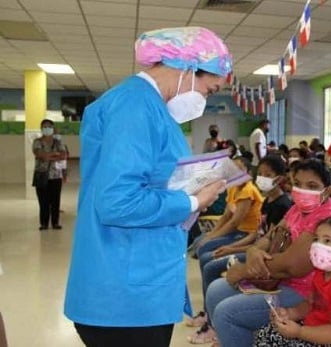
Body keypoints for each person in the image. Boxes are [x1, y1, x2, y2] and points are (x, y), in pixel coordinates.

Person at [63, 27, 232, 347]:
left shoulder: (149, 107)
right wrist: (192, 202)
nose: (205, 99)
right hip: (125, 297)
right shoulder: (136, 107)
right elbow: (118, 202)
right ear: (188, 67)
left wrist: (192, 196)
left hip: (137, 281)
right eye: (210, 90)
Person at [203, 159, 331, 347]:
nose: (303, 190)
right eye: (297, 184)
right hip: (277, 279)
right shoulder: (297, 208)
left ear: (326, 191)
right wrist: (254, 250)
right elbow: (270, 237)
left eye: (312, 186)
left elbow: (292, 266)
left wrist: (244, 270)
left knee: (226, 313)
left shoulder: (327, 217)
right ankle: (226, 339)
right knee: (215, 291)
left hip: (307, 292)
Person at [187, 155, 292, 344]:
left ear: (279, 178)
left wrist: (230, 248)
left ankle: (212, 325)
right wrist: (227, 246)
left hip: (259, 253)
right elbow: (258, 234)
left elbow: (271, 246)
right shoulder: (266, 200)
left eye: (267, 175)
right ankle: (209, 318)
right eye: (260, 173)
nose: (262, 178)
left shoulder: (282, 205)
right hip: (252, 245)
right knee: (205, 254)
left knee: (211, 264)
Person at [253, 217, 331, 347]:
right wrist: (290, 313)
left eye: (327, 241)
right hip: (316, 328)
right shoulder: (322, 271)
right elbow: (311, 303)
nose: (319, 245)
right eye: (316, 239)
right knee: (265, 334)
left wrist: (299, 332)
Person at [194, 156, 263, 266]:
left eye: (239, 170)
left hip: (246, 234)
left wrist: (211, 237)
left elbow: (234, 222)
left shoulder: (248, 191)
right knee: (198, 241)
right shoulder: (233, 187)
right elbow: (226, 216)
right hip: (237, 230)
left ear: (248, 173)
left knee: (204, 249)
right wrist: (211, 234)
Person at [32, 119, 67, 230]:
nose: (47, 129)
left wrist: (48, 155)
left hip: (56, 176)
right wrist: (54, 155)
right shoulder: (37, 142)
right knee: (43, 201)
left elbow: (63, 155)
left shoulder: (58, 142)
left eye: (49, 127)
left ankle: (55, 223)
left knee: (55, 201)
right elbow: (40, 155)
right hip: (42, 176)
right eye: (44, 126)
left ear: (52, 128)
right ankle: (44, 223)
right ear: (41, 129)